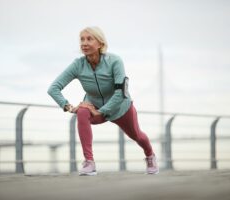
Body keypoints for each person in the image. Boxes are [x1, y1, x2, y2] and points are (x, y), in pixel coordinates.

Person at [47, 26, 159, 175]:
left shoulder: (115, 61)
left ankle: (150, 155)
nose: (84, 43)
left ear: (100, 43)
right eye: (82, 39)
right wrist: (68, 106)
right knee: (82, 111)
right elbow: (53, 88)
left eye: (89, 39)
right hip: (93, 106)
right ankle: (89, 162)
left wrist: (101, 111)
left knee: (137, 135)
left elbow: (121, 93)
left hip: (120, 108)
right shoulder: (78, 65)